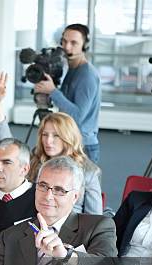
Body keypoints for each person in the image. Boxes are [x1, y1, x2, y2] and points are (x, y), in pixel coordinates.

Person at [0, 72, 103, 215]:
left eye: (56, 136)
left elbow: (94, 219)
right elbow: (7, 145)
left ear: (68, 137)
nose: (48, 141)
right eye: (45, 135)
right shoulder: (35, 162)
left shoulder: (89, 172)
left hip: (69, 232)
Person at [33, 24, 101, 164]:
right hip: (68, 141)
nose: (67, 47)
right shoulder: (72, 69)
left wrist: (52, 91)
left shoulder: (86, 75)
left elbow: (78, 116)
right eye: (64, 41)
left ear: (85, 46)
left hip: (83, 146)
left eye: (73, 43)